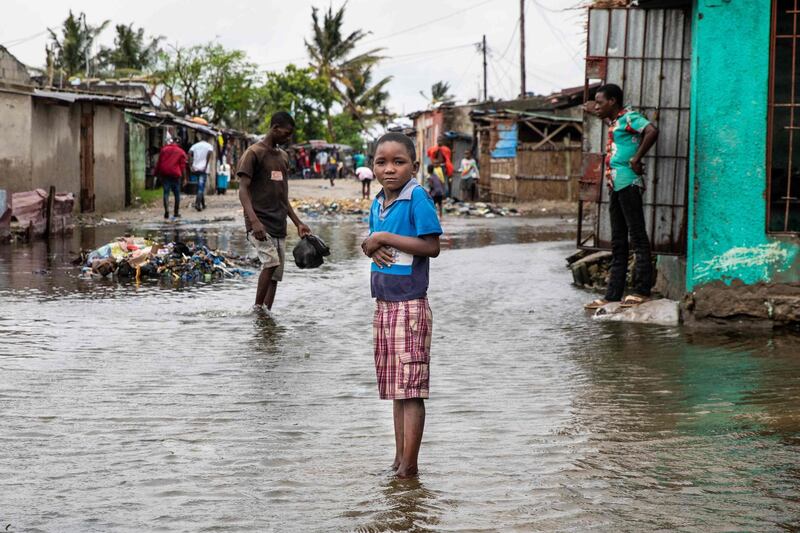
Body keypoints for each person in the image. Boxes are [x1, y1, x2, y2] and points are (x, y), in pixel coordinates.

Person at [360, 132, 442, 479]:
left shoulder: (417, 197)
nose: (389, 169)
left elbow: (431, 246)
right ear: (372, 167)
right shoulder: (378, 203)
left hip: (409, 306)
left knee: (411, 391)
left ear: (414, 166)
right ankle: (398, 461)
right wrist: (371, 243)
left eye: (398, 162)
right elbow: (372, 245)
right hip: (385, 305)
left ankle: (410, 467)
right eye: (381, 162)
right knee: (397, 390)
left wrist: (384, 238)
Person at [584, 83, 659, 310]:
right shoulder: (615, 122)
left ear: (613, 101)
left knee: (637, 236)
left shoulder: (629, 118)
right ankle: (612, 295)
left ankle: (641, 291)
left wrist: (636, 159)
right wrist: (592, 108)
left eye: (600, 102)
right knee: (618, 240)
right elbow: (597, 112)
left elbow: (652, 131)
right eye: (595, 103)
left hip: (628, 182)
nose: (596, 107)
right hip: (615, 184)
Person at [238, 111, 312, 311]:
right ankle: (256, 311)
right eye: (286, 133)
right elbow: (243, 189)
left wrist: (298, 223)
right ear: (275, 128)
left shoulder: (283, 156)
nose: (288, 138)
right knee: (270, 263)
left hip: (278, 223)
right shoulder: (253, 153)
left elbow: (282, 197)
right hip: (259, 223)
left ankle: (266, 315)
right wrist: (254, 222)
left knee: (275, 274)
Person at [153, 138, 187, 220]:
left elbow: (159, 162)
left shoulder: (164, 150)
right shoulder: (181, 152)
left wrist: (156, 173)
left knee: (166, 193)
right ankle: (176, 212)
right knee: (177, 194)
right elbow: (183, 166)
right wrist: (185, 178)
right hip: (175, 174)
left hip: (165, 174)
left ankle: (167, 211)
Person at [189, 137, 214, 211]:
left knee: (200, 186)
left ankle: (202, 204)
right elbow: (209, 152)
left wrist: (190, 165)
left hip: (195, 168)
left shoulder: (195, 145)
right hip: (203, 169)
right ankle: (197, 204)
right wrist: (206, 164)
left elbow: (189, 153)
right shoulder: (209, 146)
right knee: (201, 187)